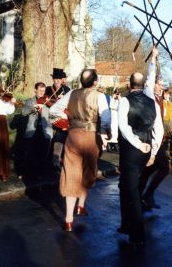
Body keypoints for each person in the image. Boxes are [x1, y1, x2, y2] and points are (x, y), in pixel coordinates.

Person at [49, 68, 111, 232]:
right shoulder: (99, 96)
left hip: (73, 136)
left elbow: (53, 110)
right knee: (88, 172)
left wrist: (68, 117)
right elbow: (106, 119)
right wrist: (105, 135)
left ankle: (68, 219)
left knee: (71, 173)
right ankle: (80, 206)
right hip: (91, 137)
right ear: (95, 82)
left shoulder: (71, 94)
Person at [118, 48, 164, 248]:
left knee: (132, 190)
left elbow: (124, 128)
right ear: (143, 85)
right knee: (124, 186)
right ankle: (126, 224)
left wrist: (141, 145)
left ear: (129, 85)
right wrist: (153, 151)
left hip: (132, 149)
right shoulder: (152, 101)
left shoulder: (125, 101)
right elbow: (159, 130)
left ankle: (137, 233)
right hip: (146, 149)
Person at [139, 49, 170, 210]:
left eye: (163, 85)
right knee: (153, 168)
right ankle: (141, 197)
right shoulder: (149, 95)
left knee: (159, 168)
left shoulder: (160, 99)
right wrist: (153, 58)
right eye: (160, 84)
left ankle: (145, 195)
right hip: (149, 139)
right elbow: (150, 78)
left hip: (159, 140)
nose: (162, 87)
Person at [21, 82, 53, 179]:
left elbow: (53, 115)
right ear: (35, 90)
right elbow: (23, 112)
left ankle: (40, 173)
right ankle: (27, 173)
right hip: (32, 129)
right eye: (40, 91)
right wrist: (33, 108)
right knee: (30, 152)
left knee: (42, 153)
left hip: (44, 129)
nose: (42, 93)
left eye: (43, 91)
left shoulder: (48, 102)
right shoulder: (30, 101)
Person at [46, 68, 71, 170]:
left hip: (63, 118)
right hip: (50, 117)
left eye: (59, 79)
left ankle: (61, 160)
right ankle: (50, 161)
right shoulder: (48, 89)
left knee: (63, 138)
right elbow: (45, 102)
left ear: (62, 80)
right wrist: (54, 100)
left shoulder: (67, 90)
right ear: (53, 79)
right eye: (55, 78)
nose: (57, 81)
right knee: (51, 139)